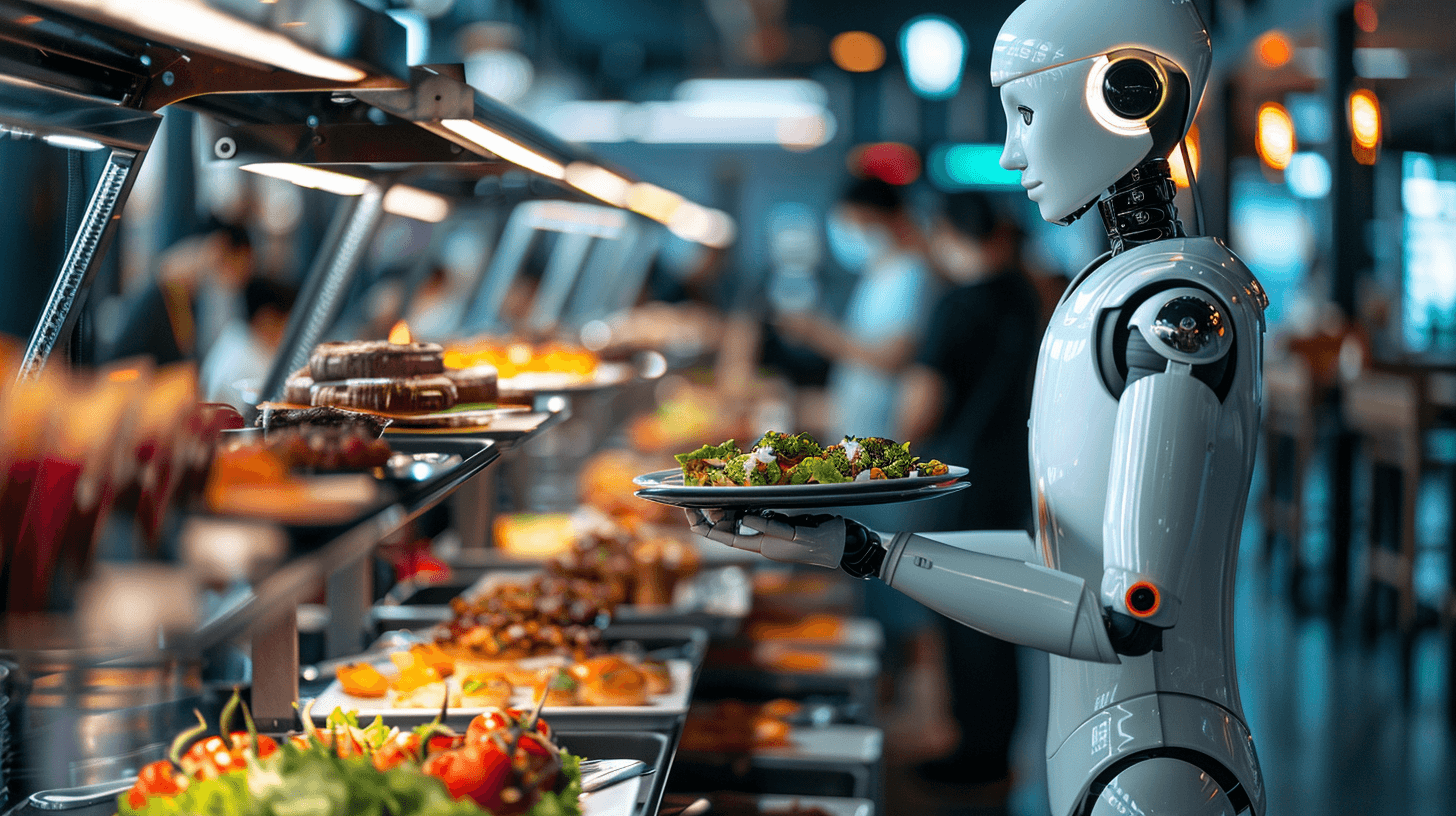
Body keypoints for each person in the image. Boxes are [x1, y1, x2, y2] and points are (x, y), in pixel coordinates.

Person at [893, 193, 1043, 793]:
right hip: (1010, 477)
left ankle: (973, 753)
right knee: (999, 615)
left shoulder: (956, 304)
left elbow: (921, 407)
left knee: (959, 614)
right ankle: (995, 750)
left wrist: (885, 450)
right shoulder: (1025, 295)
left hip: (956, 479)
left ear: (949, 234)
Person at [775, 178, 935, 440]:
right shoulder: (878, 271)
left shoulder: (911, 274)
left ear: (894, 219)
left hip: (883, 434)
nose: (854, 233)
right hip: (857, 429)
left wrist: (818, 332)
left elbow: (894, 356)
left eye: (862, 223)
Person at [200, 277, 297, 408]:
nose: (289, 333)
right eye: (286, 323)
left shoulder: (234, 338)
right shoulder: (250, 365)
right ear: (267, 320)